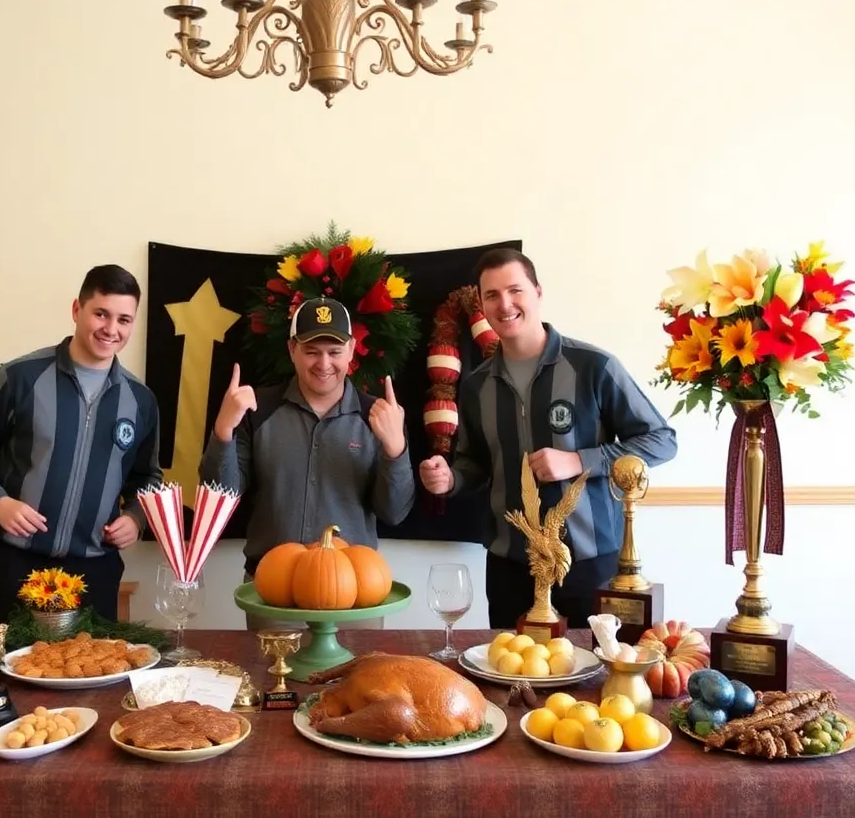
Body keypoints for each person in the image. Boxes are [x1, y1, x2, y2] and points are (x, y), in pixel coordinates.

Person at [419, 249, 677, 630]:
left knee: (597, 681)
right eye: (491, 295)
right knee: (510, 677)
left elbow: (662, 440)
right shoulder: (475, 387)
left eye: (515, 290)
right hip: (510, 570)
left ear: (538, 292)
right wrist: (450, 478)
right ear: (482, 304)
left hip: (590, 566)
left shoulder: (594, 367)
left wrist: (580, 461)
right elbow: (474, 463)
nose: (504, 304)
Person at [0, 264, 162, 624]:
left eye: (124, 320)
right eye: (101, 314)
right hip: (14, 564)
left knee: (91, 675)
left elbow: (148, 477)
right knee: (6, 675)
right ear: (77, 311)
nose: (111, 329)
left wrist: (135, 519)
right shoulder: (19, 377)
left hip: (95, 571)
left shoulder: (141, 399)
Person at [198, 297, 416, 631]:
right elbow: (220, 500)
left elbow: (394, 513)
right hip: (272, 589)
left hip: (356, 593)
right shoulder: (257, 410)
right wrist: (223, 430)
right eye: (312, 351)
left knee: (357, 683)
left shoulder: (378, 416)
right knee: (273, 682)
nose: (324, 363)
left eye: (335, 351)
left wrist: (395, 448)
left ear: (353, 350)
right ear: (292, 350)